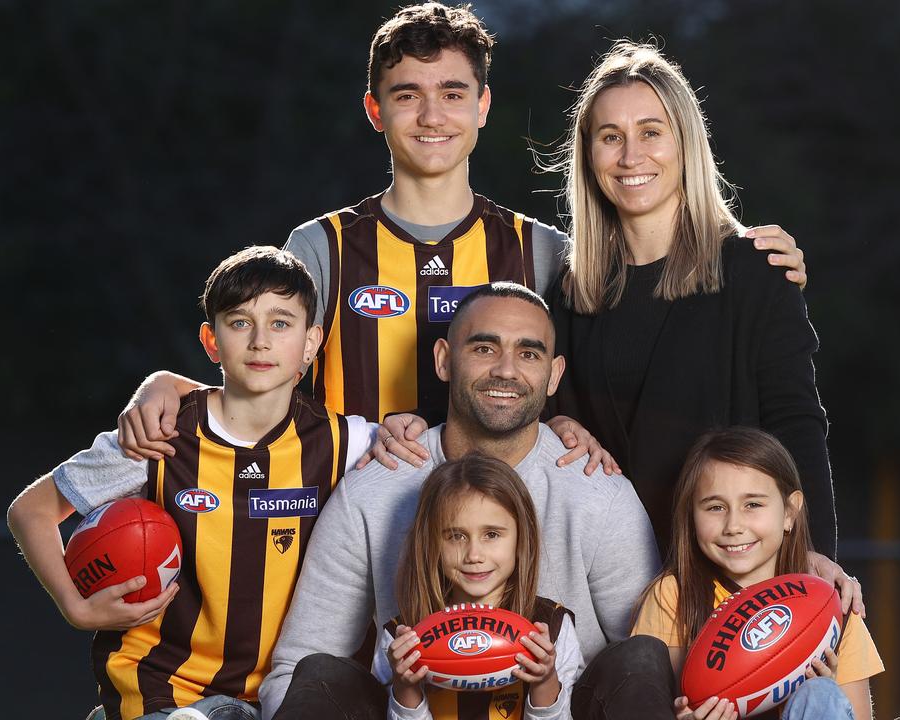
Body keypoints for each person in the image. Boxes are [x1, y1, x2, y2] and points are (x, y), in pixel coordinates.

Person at [114, 4, 807, 475]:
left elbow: (621, 359)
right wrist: (166, 383)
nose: (431, 114)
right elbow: (257, 373)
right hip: (346, 524)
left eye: (451, 92)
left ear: (482, 107)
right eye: (407, 93)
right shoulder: (321, 245)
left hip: (497, 541)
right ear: (374, 110)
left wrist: (736, 246)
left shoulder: (544, 253)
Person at [258, 282, 661, 720]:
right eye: (484, 348)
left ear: (554, 374)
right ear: (444, 360)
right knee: (319, 673)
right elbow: (297, 669)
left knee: (642, 655)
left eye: (529, 354)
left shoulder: (596, 489)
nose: (506, 370)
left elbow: (646, 674)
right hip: (414, 712)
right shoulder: (378, 486)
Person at [7, 247, 373, 720]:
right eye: (240, 322)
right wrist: (76, 608)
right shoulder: (158, 434)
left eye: (281, 323)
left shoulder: (350, 442)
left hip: (283, 697)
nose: (260, 341)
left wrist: (405, 427)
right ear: (211, 340)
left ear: (311, 341)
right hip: (160, 686)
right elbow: (30, 510)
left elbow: (438, 460)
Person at [545, 40, 839, 559]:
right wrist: (555, 425)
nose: (631, 156)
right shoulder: (572, 292)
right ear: (589, 156)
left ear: (686, 144)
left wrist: (815, 555)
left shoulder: (754, 270)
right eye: (611, 137)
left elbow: (797, 422)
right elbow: (546, 426)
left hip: (733, 572)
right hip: (611, 579)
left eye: (651, 133)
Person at [630, 427, 882, 720]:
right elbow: (666, 701)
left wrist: (824, 699)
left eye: (753, 505)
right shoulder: (674, 595)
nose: (733, 525)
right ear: (691, 516)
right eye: (715, 507)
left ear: (789, 512)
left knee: (821, 693)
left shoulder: (831, 604)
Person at [377, 454, 583, 720]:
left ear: (522, 536)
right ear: (431, 544)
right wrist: (406, 688)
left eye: (492, 535)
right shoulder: (401, 638)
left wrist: (544, 682)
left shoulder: (551, 628)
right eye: (456, 536)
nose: (474, 554)